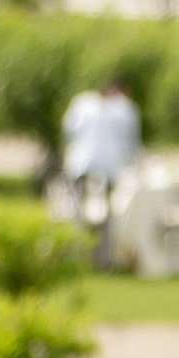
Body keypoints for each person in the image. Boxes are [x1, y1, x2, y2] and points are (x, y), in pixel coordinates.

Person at [61, 79, 141, 267]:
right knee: (105, 214)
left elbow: (69, 129)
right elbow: (130, 141)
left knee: (79, 212)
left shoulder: (83, 103)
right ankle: (103, 259)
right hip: (108, 165)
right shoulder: (124, 109)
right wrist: (134, 163)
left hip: (80, 162)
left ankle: (79, 255)